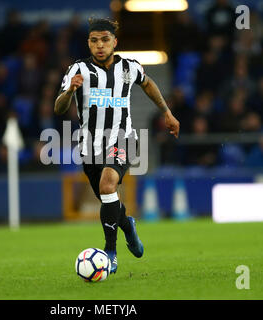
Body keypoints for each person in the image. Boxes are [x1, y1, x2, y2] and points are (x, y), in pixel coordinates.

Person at [54, 18, 180, 274]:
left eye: (104, 40)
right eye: (94, 40)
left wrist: (167, 112)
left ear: (115, 42)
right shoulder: (77, 70)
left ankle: (110, 252)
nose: (99, 45)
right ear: (88, 43)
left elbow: (148, 83)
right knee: (108, 200)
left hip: (123, 138)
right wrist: (69, 92)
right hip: (90, 145)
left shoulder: (128, 67)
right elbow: (59, 108)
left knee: (107, 185)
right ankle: (127, 225)